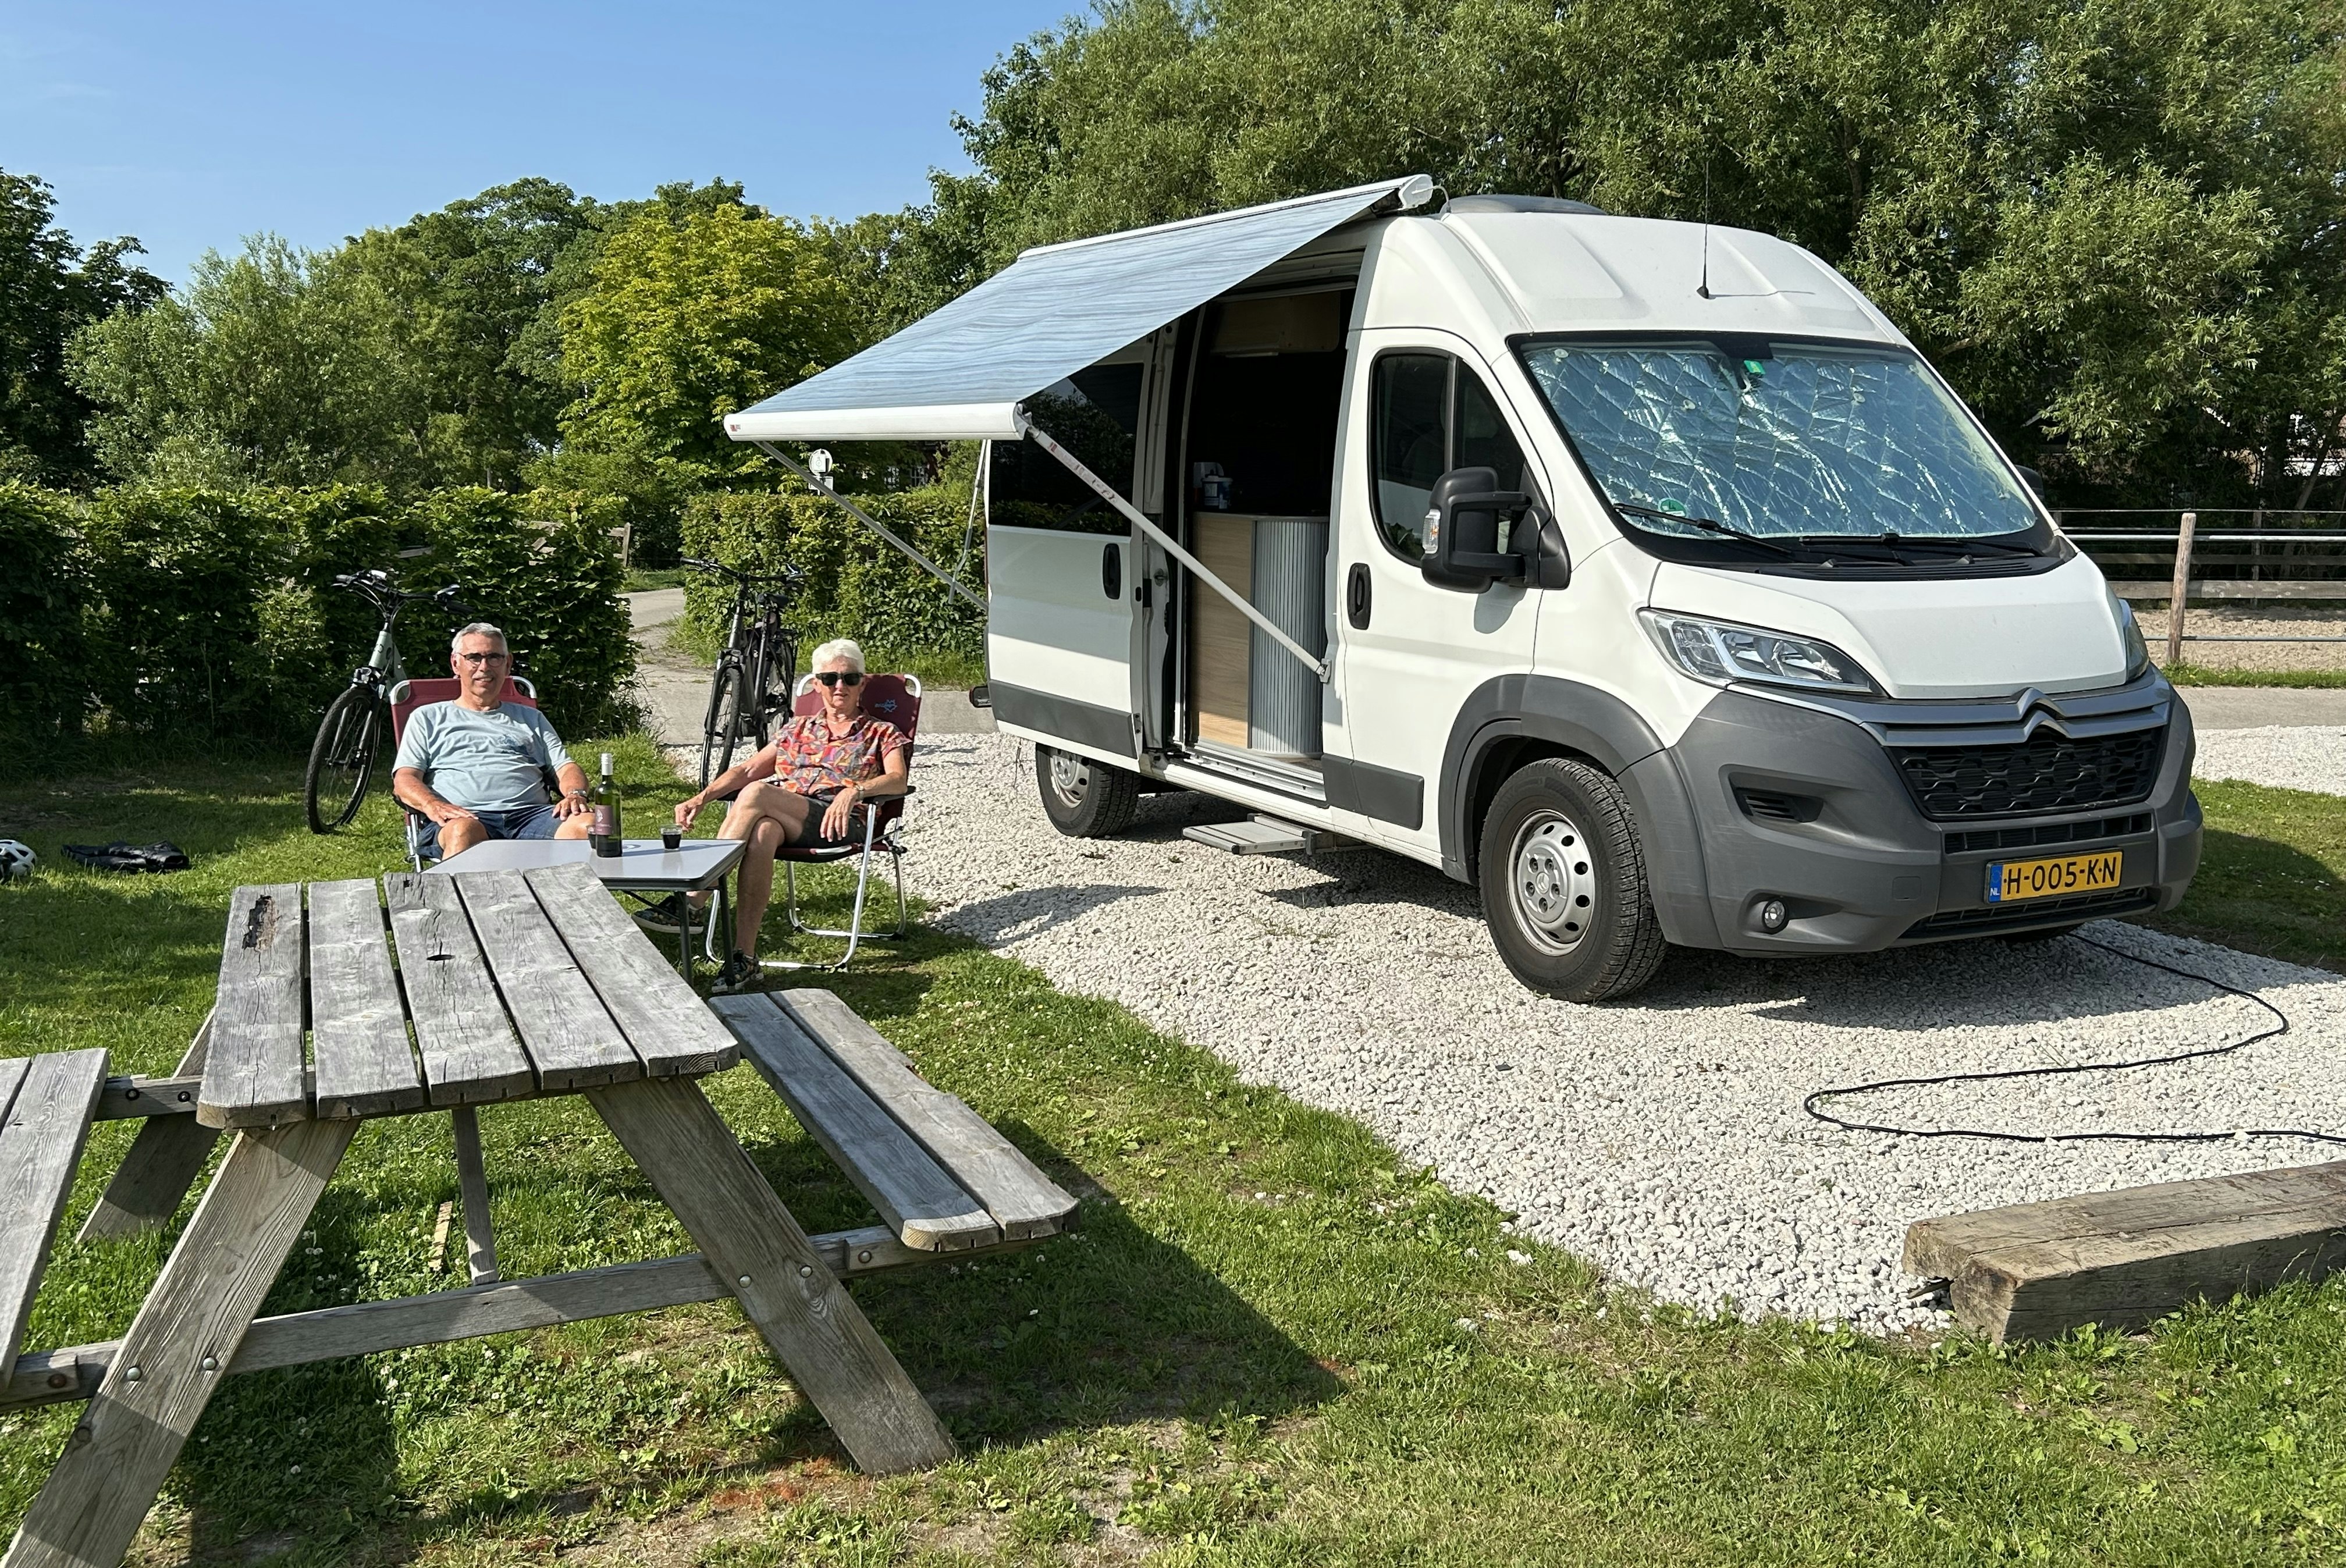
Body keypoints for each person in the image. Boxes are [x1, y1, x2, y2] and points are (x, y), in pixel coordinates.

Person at [669, 638, 909, 989]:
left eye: (850, 679)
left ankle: (694, 901)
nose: (839, 686)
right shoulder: (797, 728)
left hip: (842, 822)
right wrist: (701, 799)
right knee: (763, 830)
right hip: (792, 815)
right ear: (817, 684)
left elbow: (898, 780)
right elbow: (749, 769)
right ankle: (745, 958)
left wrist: (854, 790)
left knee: (757, 795)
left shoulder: (881, 732)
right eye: (829, 679)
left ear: (863, 684)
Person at [392, 623, 593, 859]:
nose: (484, 667)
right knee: (462, 831)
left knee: (588, 826)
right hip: (466, 817)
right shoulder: (428, 717)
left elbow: (566, 767)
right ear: (456, 663)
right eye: (474, 658)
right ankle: (453, 896)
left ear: (508, 664)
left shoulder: (530, 718)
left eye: (494, 657)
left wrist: (575, 794)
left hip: (532, 817)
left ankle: (569, 896)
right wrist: (431, 804)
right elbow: (404, 779)